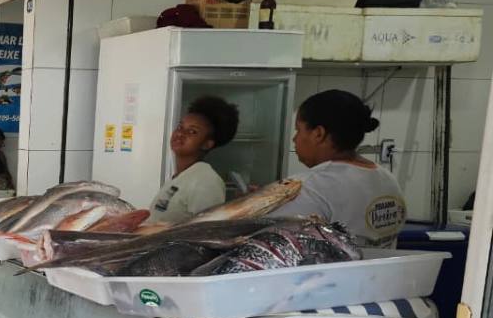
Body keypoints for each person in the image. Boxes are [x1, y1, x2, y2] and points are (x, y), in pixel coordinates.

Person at [271, 89, 407, 248]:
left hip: (330, 274)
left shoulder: (306, 187)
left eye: (298, 130)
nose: (295, 139)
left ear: (318, 134)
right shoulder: (387, 178)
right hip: (382, 273)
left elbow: (277, 248)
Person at [149, 96, 239, 224]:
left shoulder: (205, 180)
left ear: (207, 144)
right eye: (180, 127)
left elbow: (204, 233)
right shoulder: (182, 176)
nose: (180, 134)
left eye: (192, 131)